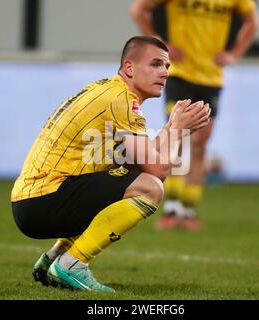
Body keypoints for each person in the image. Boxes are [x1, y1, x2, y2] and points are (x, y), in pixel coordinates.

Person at [11, 36, 211, 292]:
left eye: (167, 67)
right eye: (156, 64)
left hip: (33, 200)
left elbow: (144, 163)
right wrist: (180, 131)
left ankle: (53, 258)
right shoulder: (122, 101)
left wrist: (172, 126)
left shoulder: (110, 92)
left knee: (128, 177)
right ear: (129, 67)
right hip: (43, 200)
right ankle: (72, 264)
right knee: (150, 189)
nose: (164, 73)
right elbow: (158, 173)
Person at [131, 0, 259, 231]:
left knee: (200, 144)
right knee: (177, 138)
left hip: (211, 77)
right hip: (180, 73)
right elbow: (138, 9)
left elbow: (253, 21)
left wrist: (234, 54)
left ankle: (188, 210)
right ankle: (170, 208)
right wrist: (160, 45)